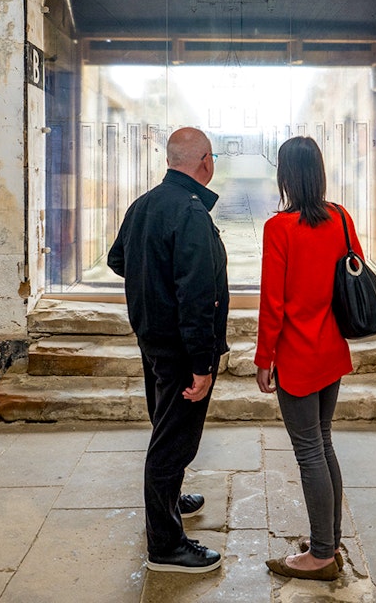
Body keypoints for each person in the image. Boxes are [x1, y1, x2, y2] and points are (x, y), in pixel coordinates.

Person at [106, 127, 230, 574]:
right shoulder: (191, 213)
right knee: (172, 442)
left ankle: (171, 500)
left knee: (164, 425)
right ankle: (165, 544)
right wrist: (202, 364)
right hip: (180, 348)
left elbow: (118, 260)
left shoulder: (145, 204)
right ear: (205, 162)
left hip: (153, 339)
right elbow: (197, 297)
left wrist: (151, 288)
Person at [255, 135, 361, 582]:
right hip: (332, 348)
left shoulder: (279, 228)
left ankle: (320, 555)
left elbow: (272, 302)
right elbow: (353, 271)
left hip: (297, 355)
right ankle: (329, 542)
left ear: (285, 176)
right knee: (324, 442)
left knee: (309, 453)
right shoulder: (340, 217)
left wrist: (264, 357)